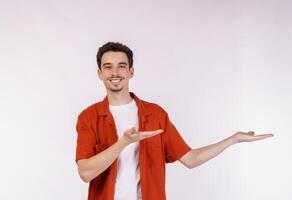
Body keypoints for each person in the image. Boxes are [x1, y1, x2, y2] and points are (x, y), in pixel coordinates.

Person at [75, 42, 273, 200]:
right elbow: (85, 173)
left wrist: (233, 139)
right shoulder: (89, 117)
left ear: (131, 72)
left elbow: (191, 159)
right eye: (108, 67)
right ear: (100, 74)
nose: (115, 73)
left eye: (121, 66)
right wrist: (123, 143)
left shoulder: (155, 114)